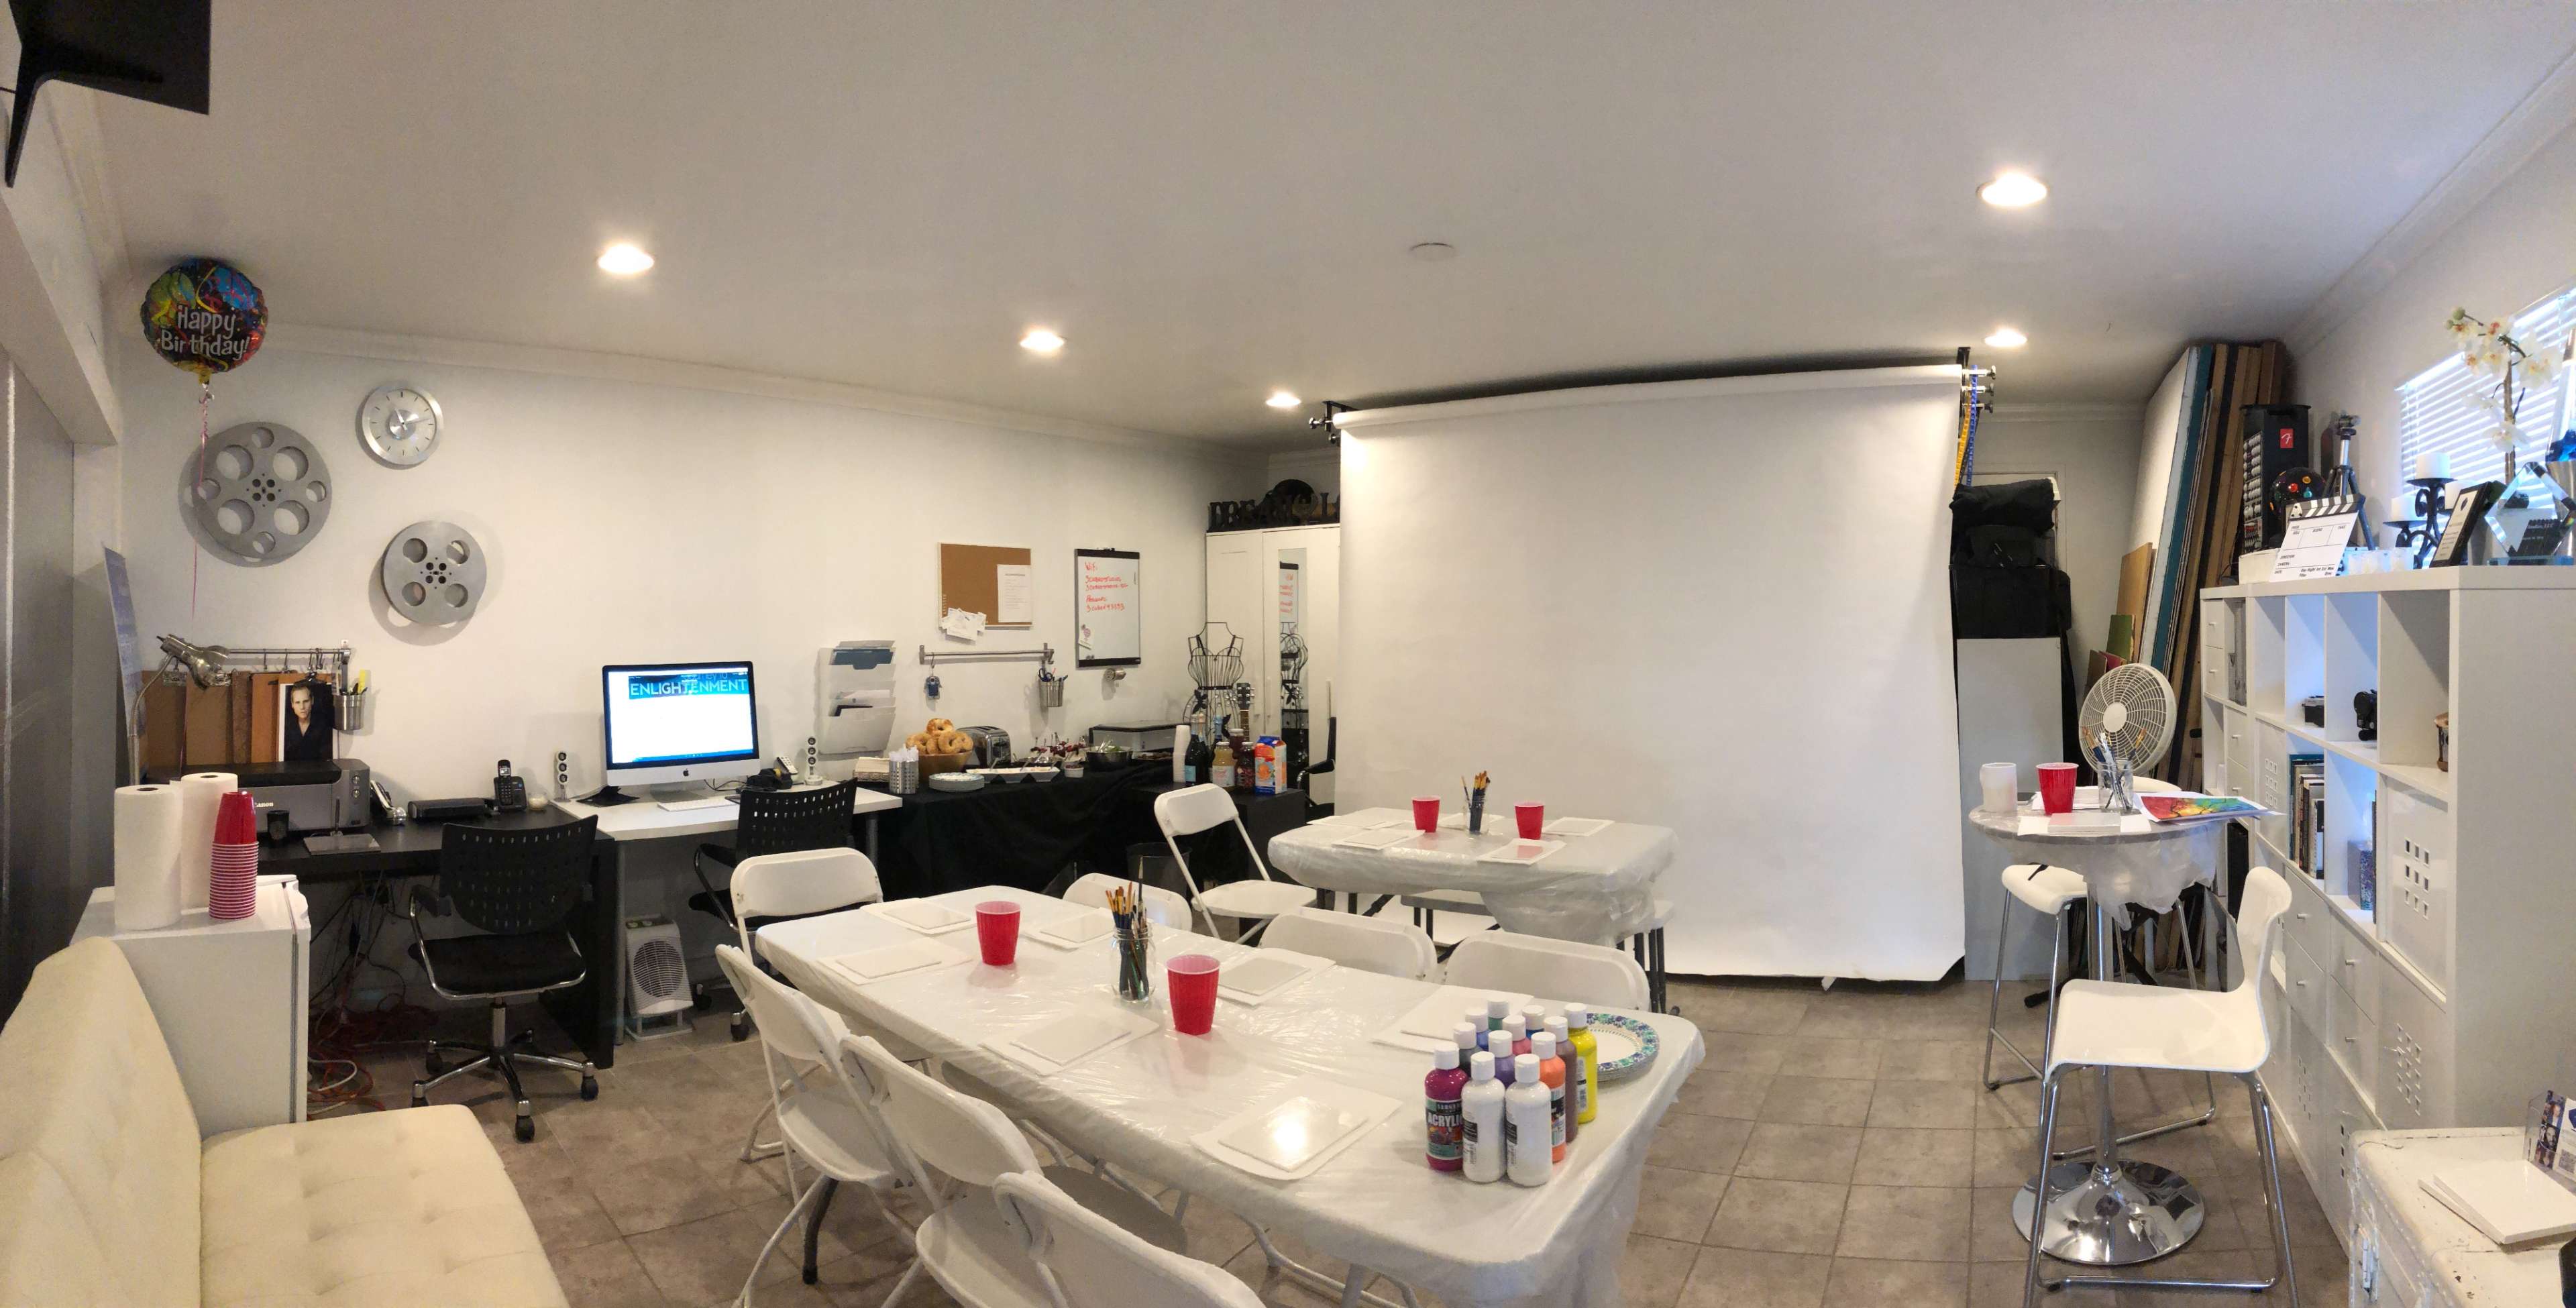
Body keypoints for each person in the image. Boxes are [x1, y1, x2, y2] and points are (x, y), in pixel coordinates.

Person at [281, 680, 335, 761]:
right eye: (297, 702)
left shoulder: (324, 727)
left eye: (306, 701)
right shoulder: (285, 727)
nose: (302, 707)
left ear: (312, 701)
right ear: (292, 705)